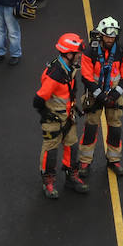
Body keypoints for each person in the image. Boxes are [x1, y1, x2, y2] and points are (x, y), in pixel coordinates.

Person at [77, 17, 123, 180]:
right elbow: (86, 77)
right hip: (95, 96)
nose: (110, 39)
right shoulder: (90, 52)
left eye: (113, 36)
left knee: (115, 128)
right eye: (107, 36)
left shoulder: (122, 52)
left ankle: (114, 160)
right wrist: (100, 96)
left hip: (114, 95)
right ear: (101, 35)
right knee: (90, 128)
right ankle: (85, 162)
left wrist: (114, 95)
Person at [33, 33, 85, 199]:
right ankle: (48, 181)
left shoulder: (69, 69)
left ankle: (71, 177)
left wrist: (74, 106)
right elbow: (38, 100)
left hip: (68, 118)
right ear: (68, 54)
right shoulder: (54, 75)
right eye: (77, 54)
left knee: (72, 146)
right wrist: (47, 115)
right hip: (53, 121)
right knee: (51, 151)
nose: (80, 56)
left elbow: (69, 92)